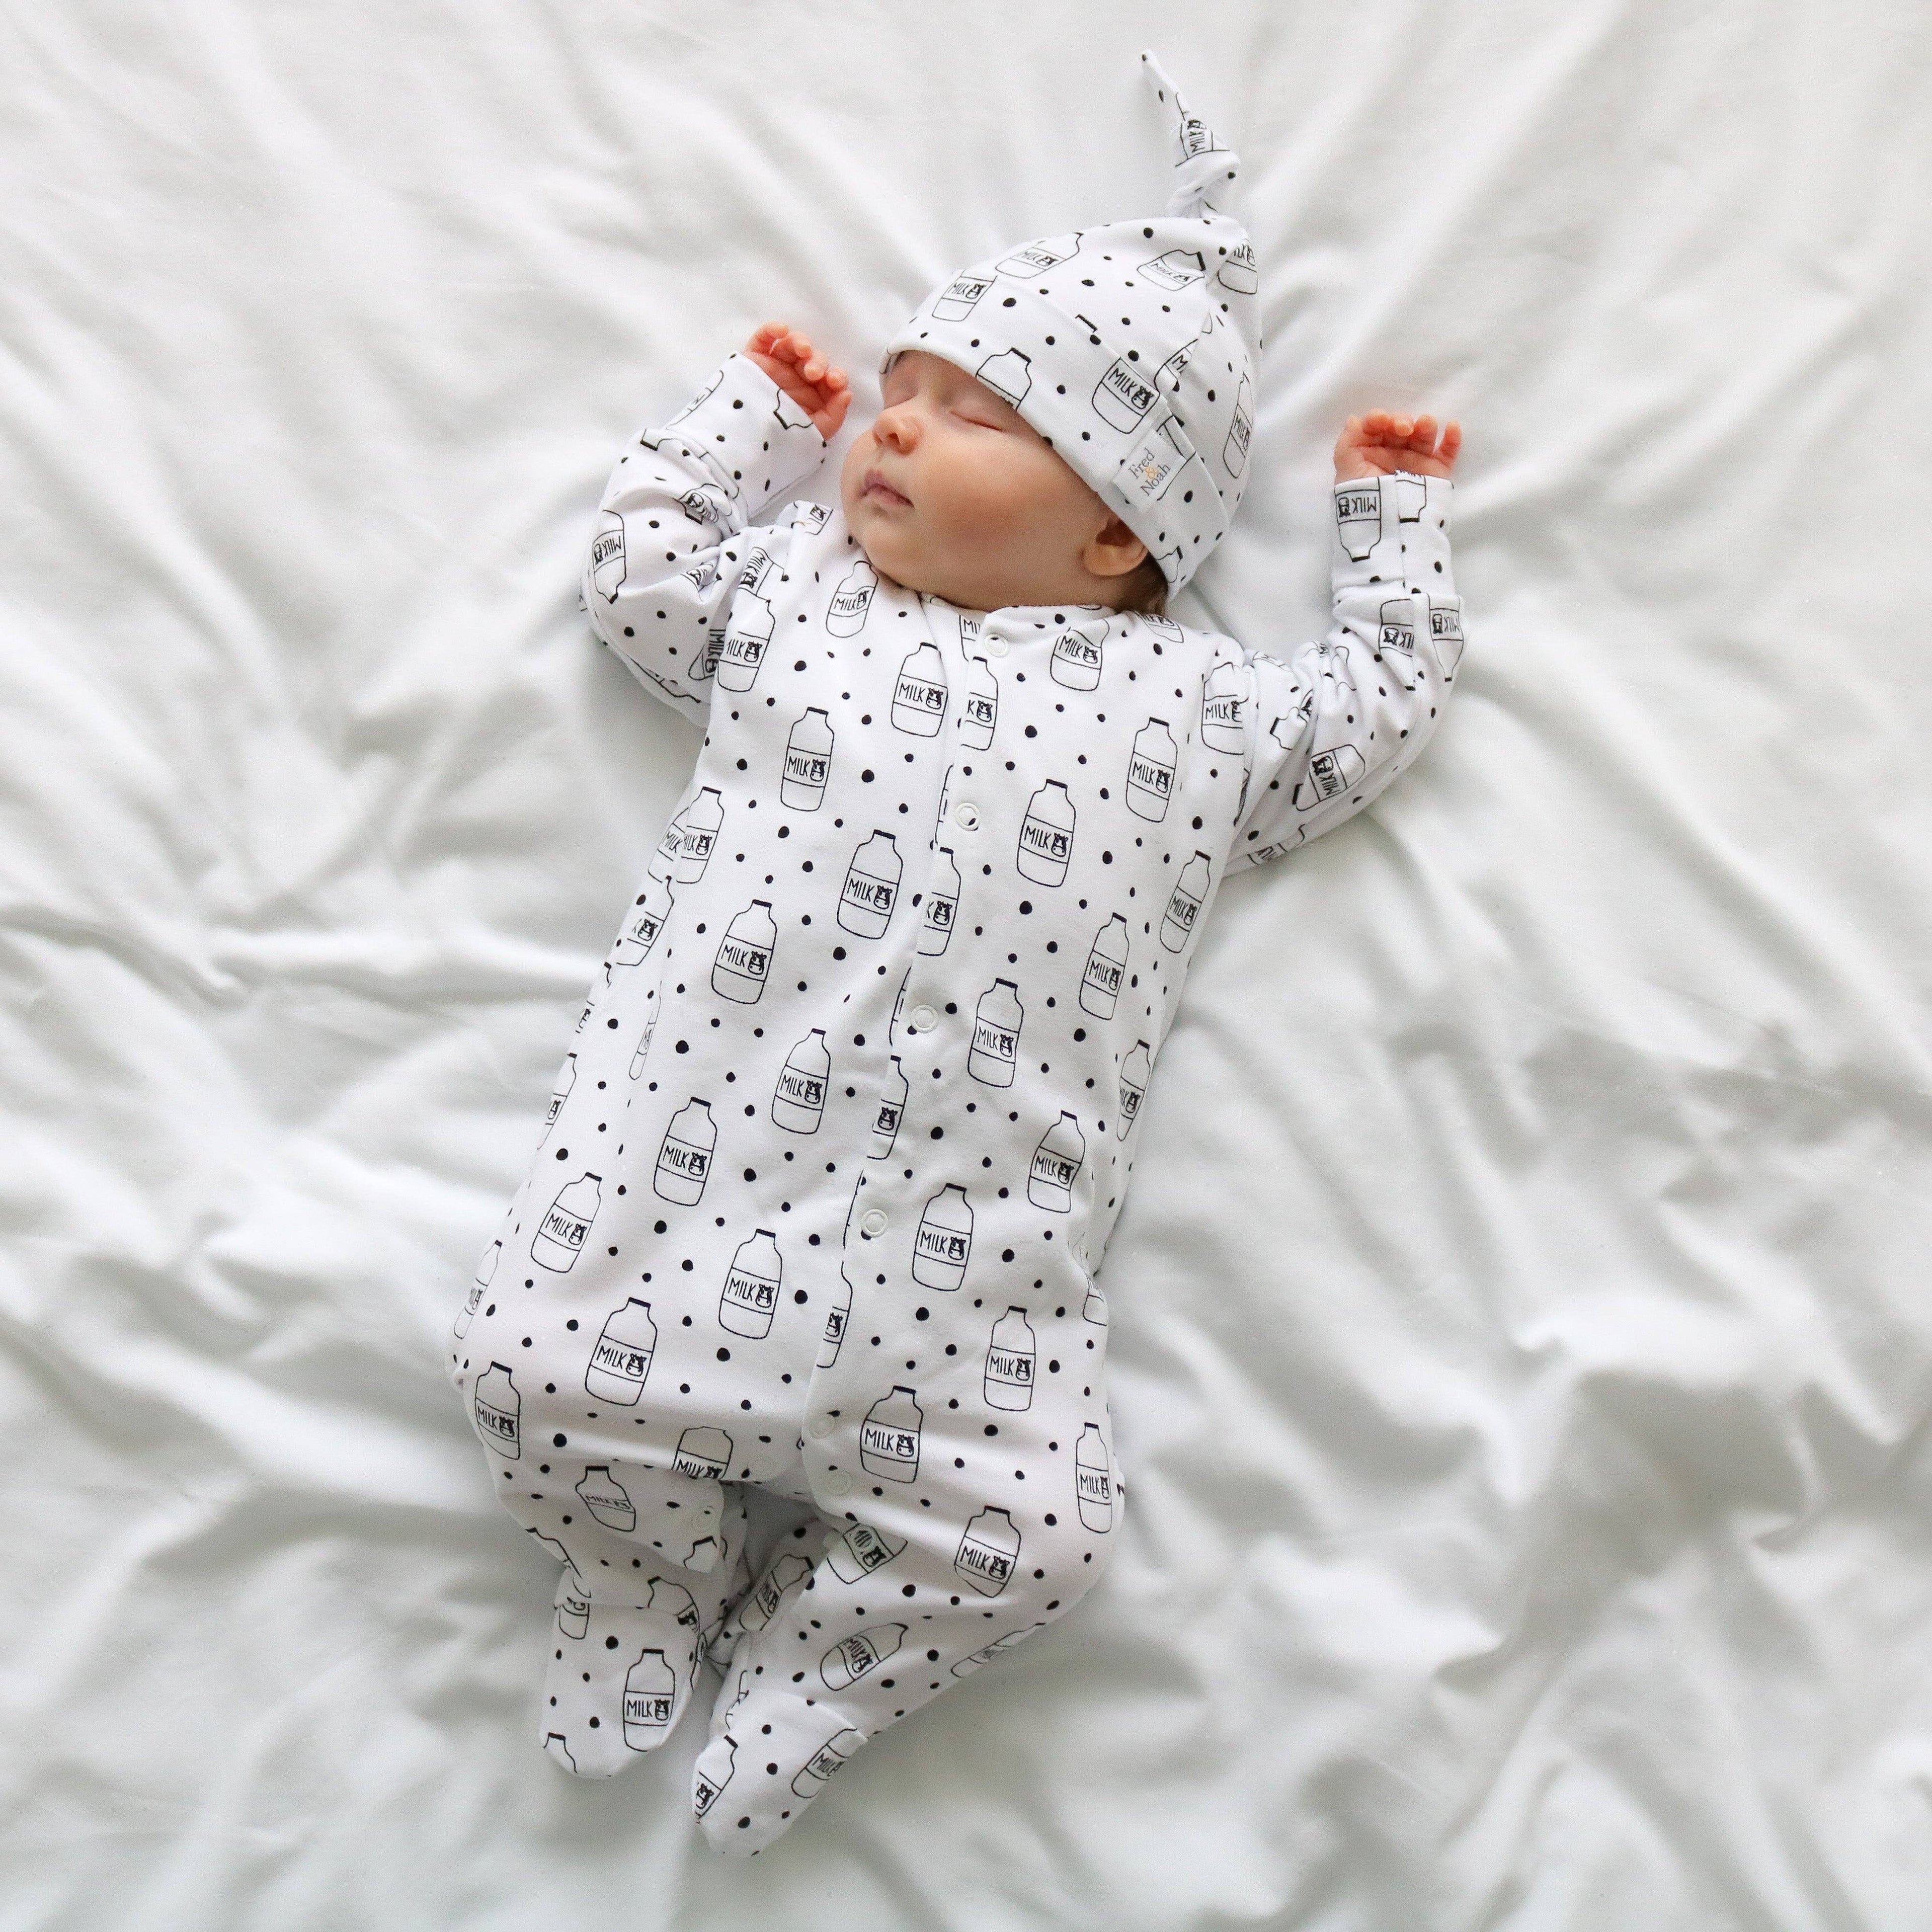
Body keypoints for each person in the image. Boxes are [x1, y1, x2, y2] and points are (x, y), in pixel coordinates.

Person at [450, 50, 1463, 1855]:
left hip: (972, 1293)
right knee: (527, 1373)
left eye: (967, 412)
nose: (889, 430)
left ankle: (820, 1663)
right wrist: (746, 421)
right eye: (892, 395)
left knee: (1042, 1546)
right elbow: (642, 571)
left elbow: (1370, 716)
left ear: (1115, 529)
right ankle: (645, 1570)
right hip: (686, 1219)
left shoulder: (1201, 711)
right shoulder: (795, 612)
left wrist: (1391, 533)